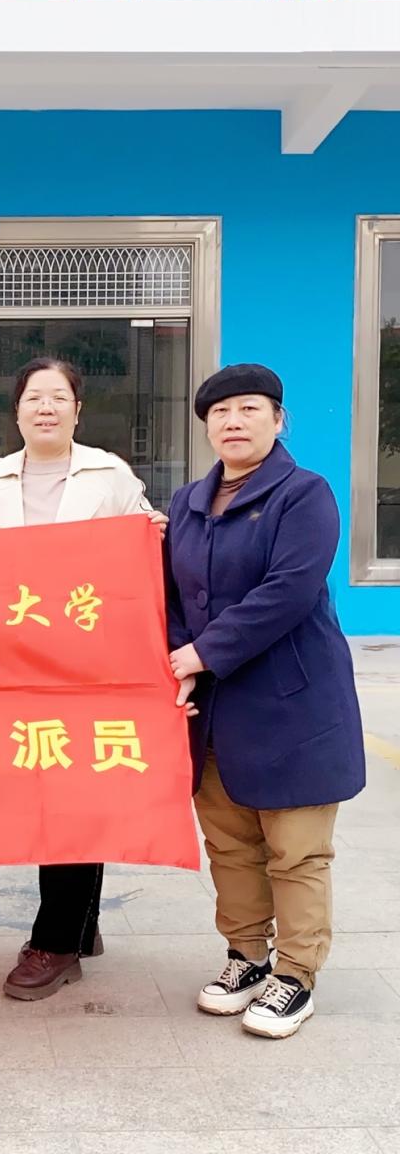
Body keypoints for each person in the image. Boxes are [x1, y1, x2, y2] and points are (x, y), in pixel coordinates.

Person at [166, 364, 364, 1038]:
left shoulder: (304, 494)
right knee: (230, 843)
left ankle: (296, 976)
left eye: (249, 409)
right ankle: (247, 956)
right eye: (220, 413)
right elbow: (169, 596)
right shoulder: (187, 503)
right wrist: (179, 659)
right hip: (215, 709)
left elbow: (289, 589)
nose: (233, 422)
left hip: (291, 705)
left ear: (278, 420)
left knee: (297, 850)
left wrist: (203, 653)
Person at [0, 356, 164, 1001]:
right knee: (42, 790)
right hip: (15, 663)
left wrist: (155, 536)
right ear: (17, 411)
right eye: (33, 398)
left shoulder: (111, 474)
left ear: (78, 410)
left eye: (58, 397)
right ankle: (83, 919)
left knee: (71, 794)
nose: (45, 408)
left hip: (89, 665)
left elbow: (145, 553)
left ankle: (55, 940)